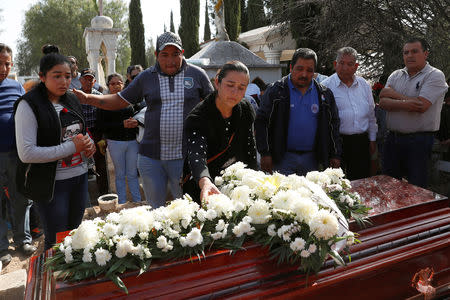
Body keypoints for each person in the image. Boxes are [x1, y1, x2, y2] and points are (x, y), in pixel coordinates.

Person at [73, 31, 214, 208]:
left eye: (175, 54)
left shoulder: (197, 75)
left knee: (187, 209)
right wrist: (87, 98)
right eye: (164, 55)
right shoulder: (147, 77)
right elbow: (118, 100)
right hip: (151, 158)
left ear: (182, 53)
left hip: (185, 157)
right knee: (157, 210)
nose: (170, 60)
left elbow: (213, 107)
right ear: (156, 55)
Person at [15, 53, 96, 250]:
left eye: (68, 76)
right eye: (57, 75)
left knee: (76, 236)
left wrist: (89, 143)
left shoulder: (71, 98)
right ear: (42, 76)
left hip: (79, 177)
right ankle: (58, 280)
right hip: (52, 185)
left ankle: (74, 279)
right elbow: (26, 153)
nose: (64, 81)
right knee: (57, 242)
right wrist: (71, 147)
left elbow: (79, 131)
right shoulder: (29, 105)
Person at [255, 48, 342, 176]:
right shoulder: (276, 91)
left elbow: (333, 125)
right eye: (299, 69)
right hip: (282, 158)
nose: (304, 74)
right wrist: (265, 153)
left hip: (312, 160)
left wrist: (335, 154)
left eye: (309, 70)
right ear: (291, 68)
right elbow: (261, 122)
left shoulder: (324, 94)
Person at [379, 37, 448, 188]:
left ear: (426, 54)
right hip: (392, 140)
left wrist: (395, 96)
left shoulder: (434, 75)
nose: (409, 55)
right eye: (406, 52)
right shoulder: (396, 75)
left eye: (414, 51)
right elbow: (383, 102)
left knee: (417, 190)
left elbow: (420, 106)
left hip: (419, 142)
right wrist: (409, 101)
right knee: (389, 188)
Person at [183, 61, 257, 201]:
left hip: (236, 186)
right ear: (217, 83)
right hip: (203, 187)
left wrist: (254, 181)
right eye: (230, 85)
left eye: (242, 87)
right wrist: (205, 182)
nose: (235, 92)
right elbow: (196, 153)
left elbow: (250, 149)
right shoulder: (198, 116)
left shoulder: (246, 109)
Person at [0, 44, 36, 265]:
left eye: (7, 63)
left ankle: (23, 240)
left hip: (16, 155)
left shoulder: (16, 87)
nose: (3, 68)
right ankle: (2, 247)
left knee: (21, 198)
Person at [322, 47, 378, 180]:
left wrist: (372, 139)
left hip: (360, 142)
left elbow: (371, 114)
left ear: (356, 66)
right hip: (336, 143)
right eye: (341, 63)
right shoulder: (325, 86)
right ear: (335, 64)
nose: (345, 67)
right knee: (336, 185)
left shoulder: (364, 85)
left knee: (361, 183)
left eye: (350, 64)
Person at [97, 73, 141, 203]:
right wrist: (121, 124)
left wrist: (136, 123)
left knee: (133, 173)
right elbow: (101, 125)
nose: (116, 86)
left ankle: (137, 201)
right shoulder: (104, 102)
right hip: (115, 142)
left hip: (132, 142)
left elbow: (141, 115)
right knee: (120, 174)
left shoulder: (131, 100)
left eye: (119, 83)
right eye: (113, 83)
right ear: (108, 85)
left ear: (123, 83)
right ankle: (121, 202)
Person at [79, 68, 109, 196]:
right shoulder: (75, 96)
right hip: (81, 135)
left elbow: (105, 117)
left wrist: (104, 136)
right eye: (85, 79)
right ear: (80, 80)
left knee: (101, 165)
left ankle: (104, 194)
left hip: (97, 134)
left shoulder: (100, 96)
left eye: (90, 79)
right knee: (82, 166)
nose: (87, 81)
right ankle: (83, 196)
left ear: (94, 81)